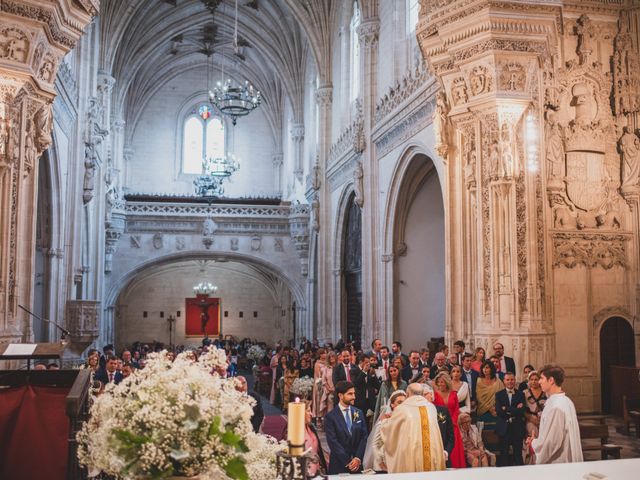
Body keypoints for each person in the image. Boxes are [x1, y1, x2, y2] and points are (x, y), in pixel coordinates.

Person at [380, 383, 446, 473]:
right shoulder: (431, 408)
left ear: (407, 394)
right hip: (432, 455)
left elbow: (390, 432)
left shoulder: (402, 409)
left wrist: (383, 422)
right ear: (422, 393)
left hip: (411, 455)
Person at [528, 364, 583, 464]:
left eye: (542, 378)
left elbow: (552, 442)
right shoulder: (566, 400)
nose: (539, 381)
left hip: (558, 462)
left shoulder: (556, 407)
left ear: (551, 380)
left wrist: (533, 444)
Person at [324, 381, 369, 474]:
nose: (354, 397)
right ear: (340, 396)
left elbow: (364, 437)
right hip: (339, 465)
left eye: (354, 393)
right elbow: (332, 442)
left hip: (357, 465)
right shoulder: (330, 417)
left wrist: (357, 458)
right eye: (350, 394)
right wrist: (348, 461)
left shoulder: (359, 413)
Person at [363, 390, 407, 472]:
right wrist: (381, 463)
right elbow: (375, 444)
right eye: (399, 402)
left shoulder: (407, 421)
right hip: (385, 462)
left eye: (404, 403)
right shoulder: (383, 421)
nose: (402, 405)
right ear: (392, 405)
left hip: (399, 461)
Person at [432, 372, 466, 468]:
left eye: (442, 382)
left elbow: (456, 409)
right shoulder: (435, 395)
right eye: (438, 382)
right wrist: (444, 423)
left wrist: (453, 421)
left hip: (454, 424)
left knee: (454, 448)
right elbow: (434, 409)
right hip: (441, 425)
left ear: (446, 382)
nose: (440, 384)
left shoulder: (453, 394)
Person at [495, 372, 526, 466]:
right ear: (504, 381)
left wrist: (506, 408)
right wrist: (515, 409)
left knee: (518, 454)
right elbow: (499, 411)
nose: (510, 382)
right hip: (504, 428)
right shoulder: (499, 394)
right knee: (504, 454)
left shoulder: (521, 394)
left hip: (517, 427)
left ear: (515, 380)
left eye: (512, 379)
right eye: (507, 379)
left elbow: (522, 411)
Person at [423, 383, 454, 466]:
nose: (423, 397)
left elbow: (451, 436)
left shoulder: (443, 411)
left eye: (425, 394)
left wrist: (446, 452)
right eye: (421, 395)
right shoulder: (414, 414)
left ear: (432, 395)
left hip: (443, 457)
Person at [523, 370, 546, 464]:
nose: (533, 381)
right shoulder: (524, 393)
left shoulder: (545, 392)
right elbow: (523, 410)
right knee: (532, 438)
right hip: (530, 420)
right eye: (531, 379)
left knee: (543, 439)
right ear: (528, 381)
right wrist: (530, 418)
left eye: (536, 379)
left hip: (544, 420)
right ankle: (532, 462)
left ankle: (543, 461)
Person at [476, 360, 505, 432]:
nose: (484, 370)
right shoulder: (478, 381)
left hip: (496, 410)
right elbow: (479, 398)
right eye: (483, 368)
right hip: (483, 409)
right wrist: (489, 408)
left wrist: (495, 408)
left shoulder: (498, 381)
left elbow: (502, 396)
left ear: (492, 369)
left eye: (487, 368)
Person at [351, 353, 380, 421]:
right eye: (366, 362)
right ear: (361, 362)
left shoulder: (370, 371)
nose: (368, 364)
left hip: (370, 401)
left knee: (369, 422)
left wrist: (373, 376)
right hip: (359, 401)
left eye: (369, 362)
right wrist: (364, 371)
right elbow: (356, 383)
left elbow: (377, 386)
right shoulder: (353, 370)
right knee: (357, 421)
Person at [303, 404, 328, 474]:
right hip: (305, 471)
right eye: (308, 411)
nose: (311, 414)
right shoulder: (293, 430)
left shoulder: (311, 427)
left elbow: (318, 451)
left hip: (317, 470)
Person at [312, 348, 327, 427]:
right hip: (319, 385)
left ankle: (325, 418)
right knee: (319, 401)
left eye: (326, 353)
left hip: (326, 384)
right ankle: (319, 418)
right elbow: (318, 376)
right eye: (324, 353)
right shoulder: (317, 363)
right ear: (320, 355)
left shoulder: (327, 363)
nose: (325, 354)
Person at [320, 351, 337, 417]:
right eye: (330, 357)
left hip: (338, 391)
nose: (332, 358)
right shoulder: (326, 368)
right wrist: (329, 388)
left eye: (333, 356)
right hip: (330, 391)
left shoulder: (339, 367)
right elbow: (323, 381)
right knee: (330, 408)